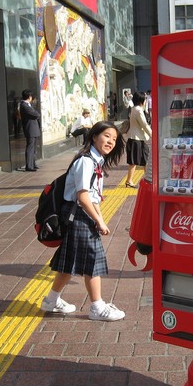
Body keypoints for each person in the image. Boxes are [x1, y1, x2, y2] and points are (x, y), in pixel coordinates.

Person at [41, 121, 127, 321]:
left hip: (82, 216)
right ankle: (97, 307)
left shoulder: (96, 161)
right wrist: (99, 220)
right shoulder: (86, 162)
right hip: (78, 216)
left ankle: (51, 300)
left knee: (68, 263)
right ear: (94, 136)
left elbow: (92, 195)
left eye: (114, 139)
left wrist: (99, 218)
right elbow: (83, 196)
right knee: (93, 261)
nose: (110, 142)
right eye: (107, 136)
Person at [125, 91, 152, 188]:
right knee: (134, 161)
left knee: (145, 158)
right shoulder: (138, 110)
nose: (146, 101)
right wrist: (153, 135)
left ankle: (149, 179)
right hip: (136, 139)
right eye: (145, 99)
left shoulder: (134, 109)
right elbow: (144, 124)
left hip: (137, 138)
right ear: (141, 100)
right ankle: (129, 181)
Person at [19, 89, 41, 172]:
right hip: (30, 129)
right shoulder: (24, 105)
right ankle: (29, 165)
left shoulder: (27, 105)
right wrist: (36, 114)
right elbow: (36, 114)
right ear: (29, 97)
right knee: (30, 147)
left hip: (33, 129)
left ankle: (33, 163)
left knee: (34, 148)